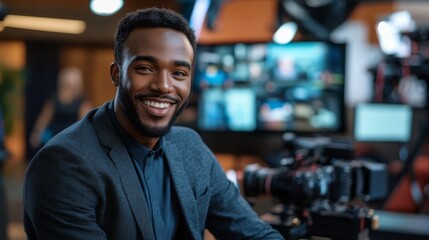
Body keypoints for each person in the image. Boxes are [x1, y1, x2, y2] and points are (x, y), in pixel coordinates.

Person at [23, 7, 284, 240]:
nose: (163, 86)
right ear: (117, 74)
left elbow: (253, 232)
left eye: (179, 73)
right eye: (146, 68)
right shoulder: (64, 164)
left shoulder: (190, 146)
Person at [29, 66, 92, 149]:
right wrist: (36, 133)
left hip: (72, 138)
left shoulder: (82, 101)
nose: (72, 88)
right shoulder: (54, 98)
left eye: (74, 85)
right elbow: (44, 118)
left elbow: (86, 122)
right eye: (69, 85)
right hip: (54, 137)